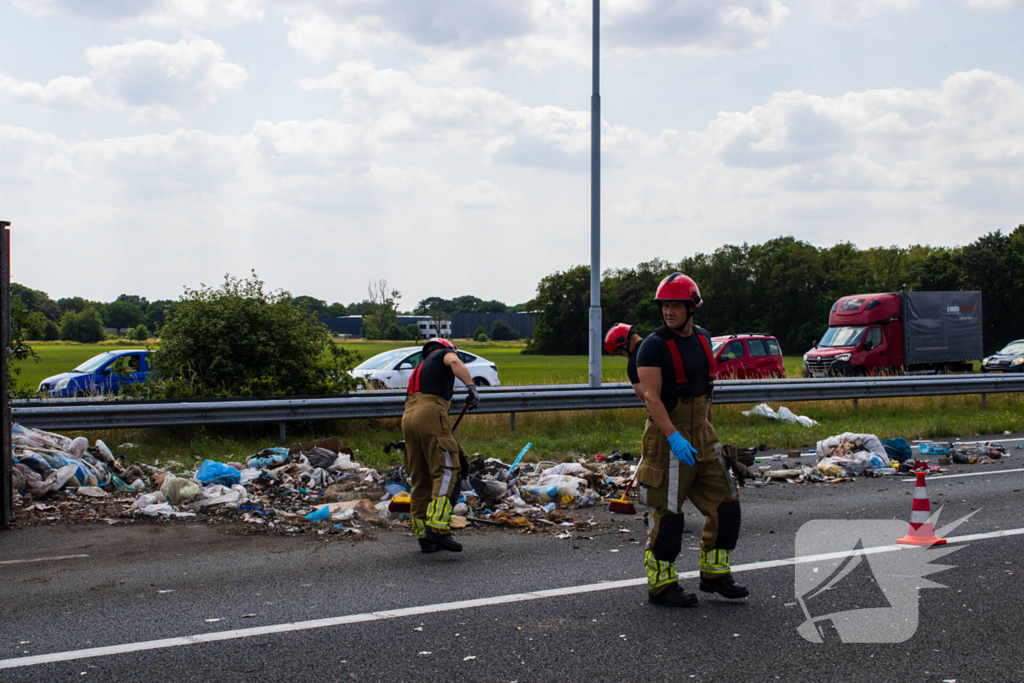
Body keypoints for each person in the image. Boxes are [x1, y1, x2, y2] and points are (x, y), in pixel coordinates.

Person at [635, 273, 748, 607]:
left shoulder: (702, 338)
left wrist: (710, 431)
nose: (668, 312)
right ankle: (661, 586)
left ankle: (715, 575)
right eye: (664, 306)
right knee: (668, 517)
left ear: (691, 307)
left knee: (726, 505)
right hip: (668, 436)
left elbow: (706, 389)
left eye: (675, 306)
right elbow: (652, 399)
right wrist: (674, 439)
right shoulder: (652, 347)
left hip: (702, 432)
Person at [402, 337, 480, 553]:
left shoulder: (420, 367)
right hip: (430, 412)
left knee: (421, 477)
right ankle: (437, 528)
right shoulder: (443, 354)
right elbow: (455, 363)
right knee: (446, 470)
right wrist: (471, 387)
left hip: (408, 417)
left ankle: (423, 535)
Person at [604, 323, 646, 403]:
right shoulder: (654, 344)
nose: (621, 355)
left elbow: (647, 399)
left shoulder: (633, 364)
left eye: (619, 350)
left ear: (625, 342)